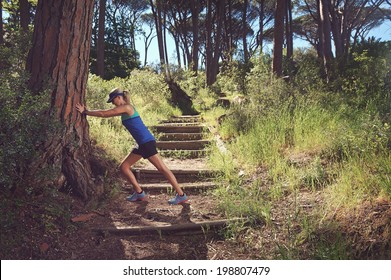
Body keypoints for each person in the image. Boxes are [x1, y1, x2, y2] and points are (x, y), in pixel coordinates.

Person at [76, 88, 188, 205]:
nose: (113, 103)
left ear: (119, 98)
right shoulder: (124, 109)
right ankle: (139, 193)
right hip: (142, 143)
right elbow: (107, 114)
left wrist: (86, 112)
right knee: (124, 167)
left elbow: (104, 113)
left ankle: (181, 195)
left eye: (113, 100)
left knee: (162, 169)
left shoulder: (127, 107)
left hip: (146, 142)